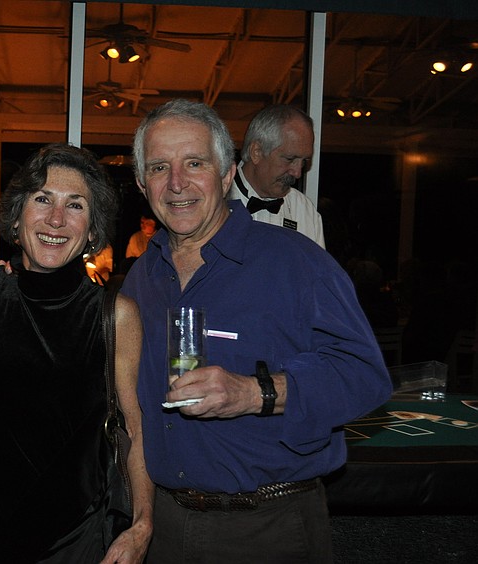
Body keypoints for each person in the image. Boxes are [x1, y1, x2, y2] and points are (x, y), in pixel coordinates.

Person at [121, 99, 392, 563]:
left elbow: (366, 375)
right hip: (164, 528)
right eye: (160, 167)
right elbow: (138, 417)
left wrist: (253, 392)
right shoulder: (140, 280)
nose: (177, 183)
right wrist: (142, 522)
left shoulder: (298, 263)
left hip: (268, 530)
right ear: (143, 183)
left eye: (195, 163)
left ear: (227, 176)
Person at [0, 143, 153, 563]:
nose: (56, 219)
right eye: (42, 199)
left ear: (93, 230)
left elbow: (134, 430)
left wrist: (142, 525)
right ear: (17, 216)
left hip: (57, 544)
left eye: (75, 205)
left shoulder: (115, 316)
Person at [228, 104, 326, 248]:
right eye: (289, 159)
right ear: (256, 152)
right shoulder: (213, 201)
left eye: (304, 161)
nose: (297, 173)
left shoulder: (304, 211)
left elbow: (316, 269)